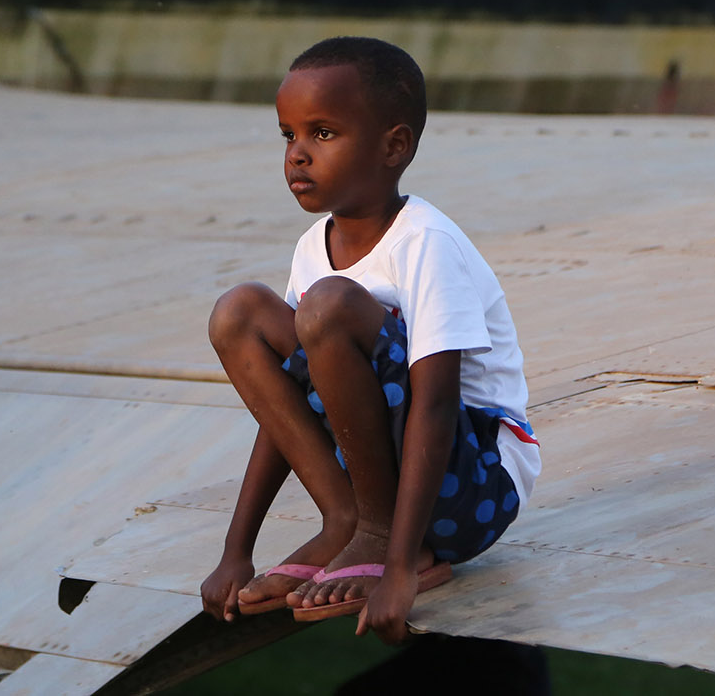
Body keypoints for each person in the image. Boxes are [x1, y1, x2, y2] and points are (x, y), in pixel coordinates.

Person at [200, 37, 540, 643]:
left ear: (394, 145)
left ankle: (379, 535)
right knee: (240, 313)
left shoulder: (424, 243)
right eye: (288, 136)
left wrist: (401, 566)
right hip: (390, 473)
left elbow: (435, 405)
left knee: (327, 306)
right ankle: (345, 521)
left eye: (323, 134)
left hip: (475, 480)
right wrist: (236, 550)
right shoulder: (313, 248)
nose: (297, 156)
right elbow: (287, 399)